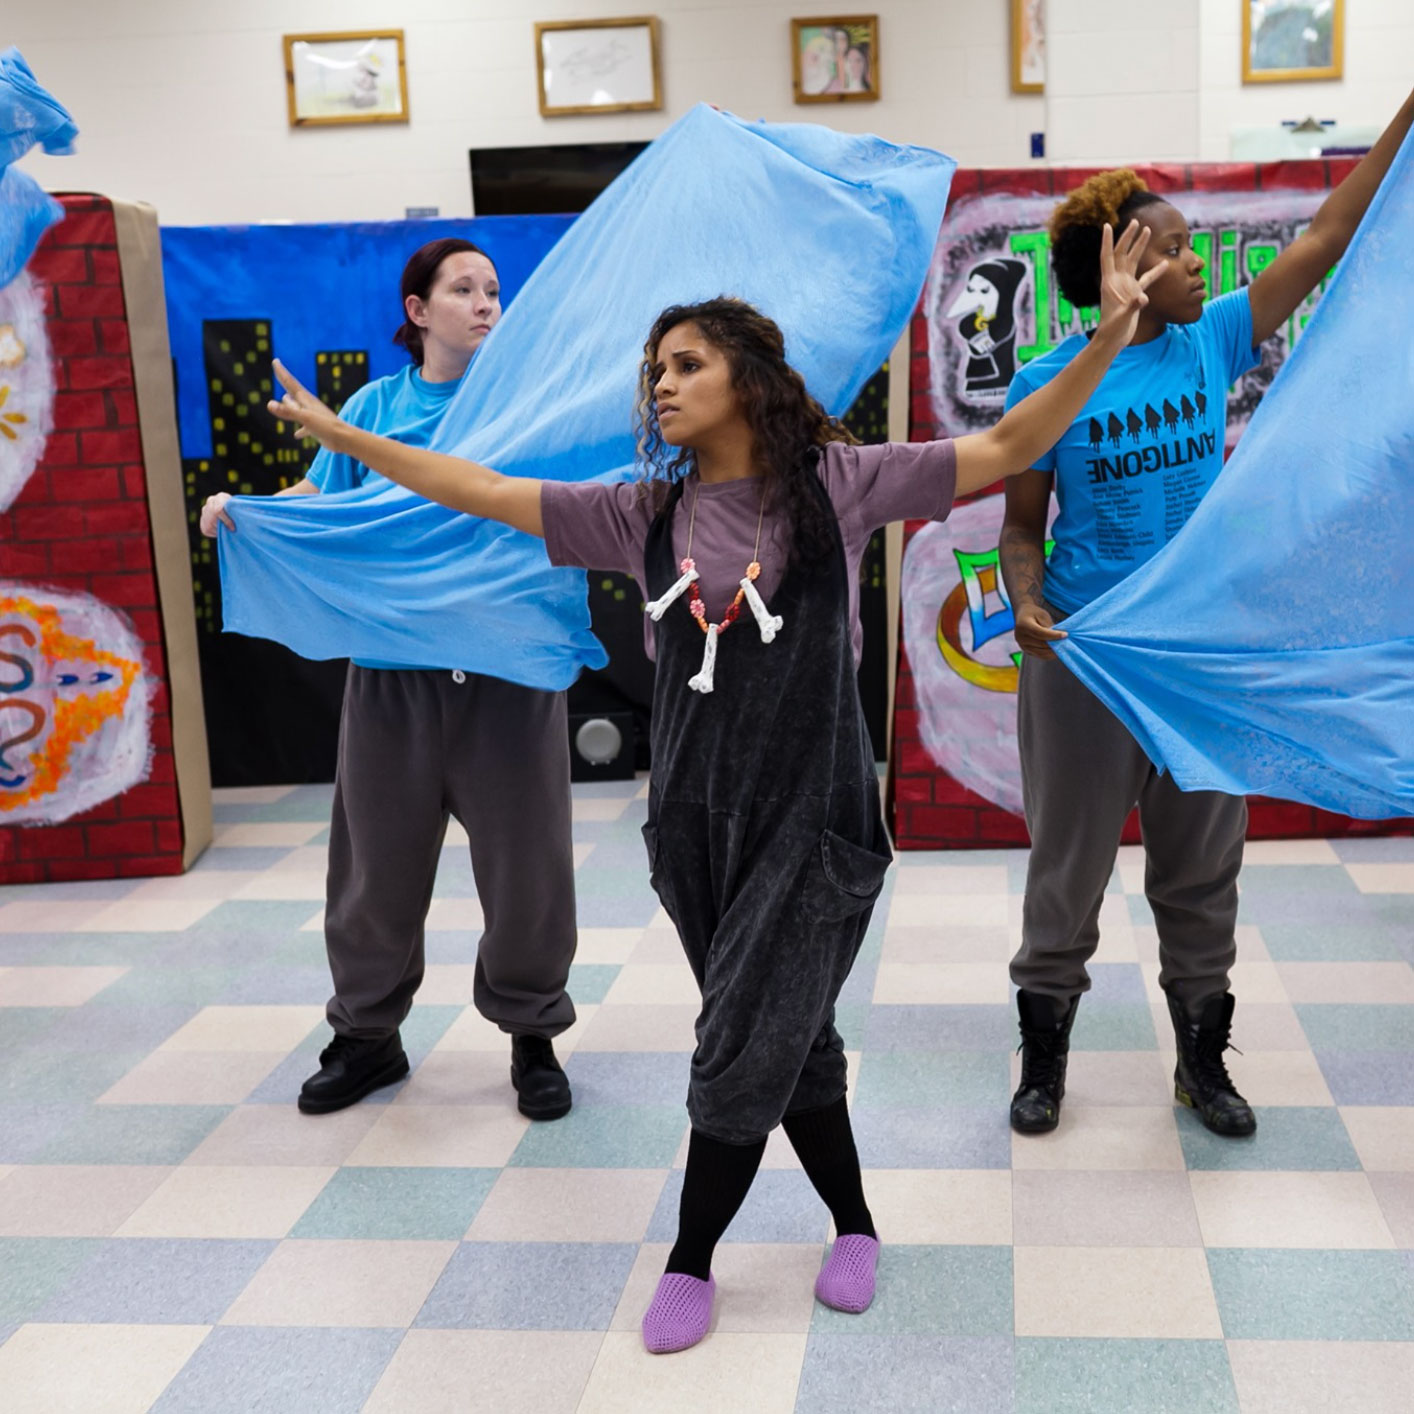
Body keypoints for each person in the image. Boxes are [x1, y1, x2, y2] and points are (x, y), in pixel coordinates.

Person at [264, 221, 1159, 1351]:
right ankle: (855, 1222)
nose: (665, 384)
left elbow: (1014, 439)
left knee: (736, 1038)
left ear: (751, 377)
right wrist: (349, 437)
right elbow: (475, 487)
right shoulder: (640, 511)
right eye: (657, 370)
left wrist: (1112, 333)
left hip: (815, 818)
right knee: (790, 1037)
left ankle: (689, 1259)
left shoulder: (841, 483)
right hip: (689, 825)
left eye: (688, 364)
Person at [999, 86, 1414, 1141]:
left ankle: (1200, 1065)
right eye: (1180, 251)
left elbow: (1325, 236)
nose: (1201, 268)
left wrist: (1406, 113)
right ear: (1124, 264)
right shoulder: (1049, 384)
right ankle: (1042, 1064)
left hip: (1198, 660)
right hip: (1088, 661)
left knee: (1201, 875)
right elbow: (1017, 527)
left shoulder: (1212, 340)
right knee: (1066, 877)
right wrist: (1025, 596)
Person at [200, 238, 578, 1123]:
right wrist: (243, 512)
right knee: (373, 870)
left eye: (494, 289)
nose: (486, 303)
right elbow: (320, 496)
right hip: (393, 681)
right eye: (464, 289)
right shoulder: (373, 406)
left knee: (530, 874)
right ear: (418, 311)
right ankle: (368, 1036)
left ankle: (532, 1036)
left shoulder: (534, 407)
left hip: (509, 678)